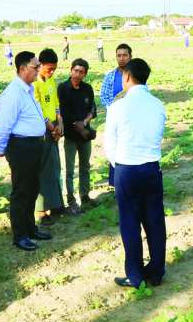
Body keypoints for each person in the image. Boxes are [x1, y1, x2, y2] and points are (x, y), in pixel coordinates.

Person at [105, 58, 167, 288]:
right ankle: (157, 271)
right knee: (155, 221)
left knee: (130, 223)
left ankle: (135, 274)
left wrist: (119, 164)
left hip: (127, 169)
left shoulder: (118, 106)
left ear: (128, 76)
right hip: (151, 167)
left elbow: (109, 144)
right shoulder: (157, 105)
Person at [0, 51, 52, 251]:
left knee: (32, 188)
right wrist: (2, 147)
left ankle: (30, 228)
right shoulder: (13, 93)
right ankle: (20, 235)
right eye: (35, 67)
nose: (38, 70)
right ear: (22, 68)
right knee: (21, 191)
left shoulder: (28, 89)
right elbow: (4, 124)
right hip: (21, 146)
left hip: (34, 145)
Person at [58, 58, 97, 214]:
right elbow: (63, 111)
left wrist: (85, 122)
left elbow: (92, 108)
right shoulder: (63, 88)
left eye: (81, 72)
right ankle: (71, 200)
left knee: (85, 167)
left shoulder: (87, 88)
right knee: (69, 170)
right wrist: (77, 125)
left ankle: (85, 196)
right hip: (70, 136)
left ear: (85, 74)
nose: (78, 74)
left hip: (85, 135)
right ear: (71, 70)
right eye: (76, 70)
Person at [33, 48, 65, 224]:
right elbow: (37, 108)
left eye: (54, 69)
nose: (52, 72)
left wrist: (59, 122)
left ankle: (55, 204)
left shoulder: (51, 80)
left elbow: (56, 102)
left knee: (54, 167)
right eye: (49, 69)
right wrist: (51, 127)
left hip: (54, 127)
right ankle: (41, 210)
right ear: (40, 65)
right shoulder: (35, 84)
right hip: (43, 130)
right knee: (43, 169)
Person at [100, 43, 133, 187]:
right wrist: (115, 109)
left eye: (124, 55)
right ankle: (116, 183)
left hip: (132, 119)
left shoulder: (136, 76)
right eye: (119, 55)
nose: (121, 58)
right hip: (115, 118)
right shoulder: (110, 76)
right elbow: (104, 97)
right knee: (115, 148)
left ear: (130, 57)